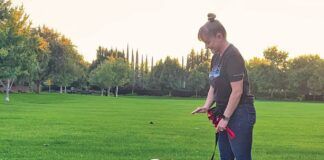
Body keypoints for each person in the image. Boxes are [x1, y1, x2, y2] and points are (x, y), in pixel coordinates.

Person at [192, 13, 256, 160]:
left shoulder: (233, 56)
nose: (207, 46)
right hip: (224, 112)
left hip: (240, 112)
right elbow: (213, 86)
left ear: (219, 36)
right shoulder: (215, 58)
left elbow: (237, 91)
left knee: (242, 157)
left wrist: (226, 118)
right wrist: (207, 106)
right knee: (225, 157)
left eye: (208, 42)